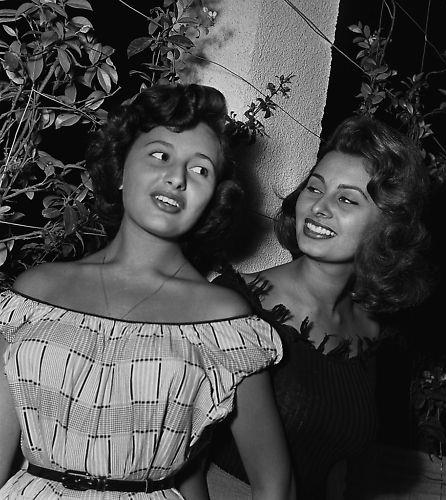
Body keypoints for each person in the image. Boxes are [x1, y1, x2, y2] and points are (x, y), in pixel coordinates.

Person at [0, 83, 294, 499]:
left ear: (212, 199)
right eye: (160, 155)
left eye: (201, 170)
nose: (177, 178)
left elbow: (275, 484)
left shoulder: (226, 322)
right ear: (121, 169)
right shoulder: (34, 294)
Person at [207, 115, 431, 499]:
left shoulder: (371, 334)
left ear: (389, 228)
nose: (318, 207)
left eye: (346, 199)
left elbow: (339, 467)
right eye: (314, 187)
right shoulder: (234, 305)